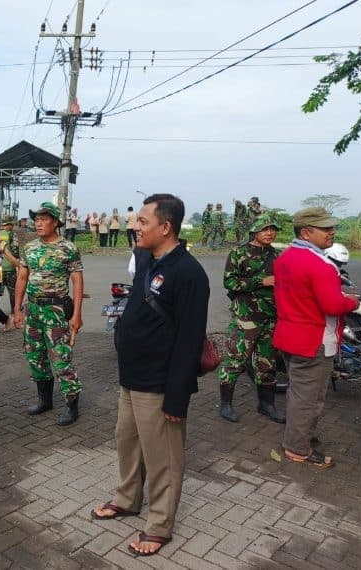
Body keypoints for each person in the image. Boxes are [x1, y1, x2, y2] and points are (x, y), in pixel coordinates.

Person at [91, 194, 209, 557]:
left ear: (166, 227)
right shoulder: (146, 259)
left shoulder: (189, 273)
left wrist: (177, 396)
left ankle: (159, 525)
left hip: (160, 382)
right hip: (131, 377)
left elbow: (190, 339)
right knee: (127, 441)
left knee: (163, 458)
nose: (135, 226)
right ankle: (128, 498)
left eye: (143, 221)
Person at [274, 207, 360, 469]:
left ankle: (299, 436)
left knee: (298, 393)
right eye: (325, 228)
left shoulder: (285, 257)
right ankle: (298, 448)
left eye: (331, 227)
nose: (331, 232)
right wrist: (353, 302)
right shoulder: (321, 265)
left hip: (289, 335)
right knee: (309, 399)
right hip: (314, 341)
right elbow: (333, 305)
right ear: (306, 233)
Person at [13, 202, 84, 426]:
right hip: (33, 310)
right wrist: (16, 309)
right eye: (36, 219)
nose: (38, 223)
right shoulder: (29, 247)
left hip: (56, 311)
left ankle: (72, 405)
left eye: (43, 219)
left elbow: (77, 282)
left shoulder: (68, 248)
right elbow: (22, 277)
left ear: (55, 223)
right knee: (35, 356)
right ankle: (45, 400)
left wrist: (77, 314)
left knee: (61, 359)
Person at [218, 213, 285, 424]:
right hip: (246, 317)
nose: (270, 233)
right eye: (265, 229)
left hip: (270, 317)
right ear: (255, 231)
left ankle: (266, 405)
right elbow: (229, 282)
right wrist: (260, 281)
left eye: (273, 229)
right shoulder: (239, 253)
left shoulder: (277, 255)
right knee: (235, 360)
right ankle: (226, 404)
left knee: (268, 362)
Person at [1, 216, 21, 316]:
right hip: (10, 267)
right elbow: (15, 251)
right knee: (12, 291)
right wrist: (18, 265)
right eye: (11, 224)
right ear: (9, 225)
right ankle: (14, 310)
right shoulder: (12, 235)